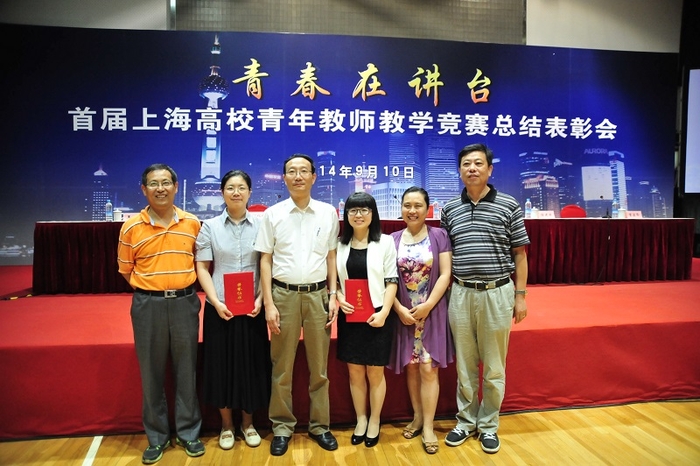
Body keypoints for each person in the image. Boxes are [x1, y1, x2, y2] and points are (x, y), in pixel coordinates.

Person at [440, 143, 529, 454]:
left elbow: (520, 254)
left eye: (479, 163)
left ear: (490, 169)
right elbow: (446, 255)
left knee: (493, 366)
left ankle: (489, 424)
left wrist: (520, 296)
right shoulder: (450, 208)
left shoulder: (508, 205)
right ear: (460, 170)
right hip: (461, 293)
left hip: (497, 292)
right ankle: (466, 421)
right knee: (464, 366)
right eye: (466, 164)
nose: (472, 168)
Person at [117, 164, 205, 464]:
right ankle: (156, 437)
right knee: (151, 372)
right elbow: (126, 270)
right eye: (153, 184)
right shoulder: (131, 227)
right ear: (144, 189)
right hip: (148, 306)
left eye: (166, 182)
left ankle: (189, 433)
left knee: (187, 369)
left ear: (176, 187)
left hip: (185, 303)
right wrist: (152, 289)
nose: (160, 188)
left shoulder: (192, 223)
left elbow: (201, 262)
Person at [254, 153, 341, 456]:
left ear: (314, 177)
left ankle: (320, 426)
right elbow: (265, 260)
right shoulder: (273, 214)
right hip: (284, 296)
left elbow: (331, 257)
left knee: (319, 368)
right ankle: (282, 427)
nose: (298, 176)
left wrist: (333, 295)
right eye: (292, 171)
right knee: (282, 367)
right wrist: (269, 303)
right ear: (284, 177)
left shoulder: (328, 213)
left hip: (318, 296)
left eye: (304, 171)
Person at [195, 170, 271, 451]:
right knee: (221, 366)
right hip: (220, 308)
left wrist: (262, 299)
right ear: (222, 192)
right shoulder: (210, 226)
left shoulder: (262, 225)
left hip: (253, 309)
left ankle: (248, 424)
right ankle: (226, 425)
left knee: (251, 365)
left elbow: (268, 263)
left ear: (250, 192)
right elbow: (203, 267)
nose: (236, 192)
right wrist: (216, 302)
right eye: (230, 187)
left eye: (241, 187)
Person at [388, 186, 454, 455]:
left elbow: (445, 274)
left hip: (431, 310)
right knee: (412, 367)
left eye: (418, 205)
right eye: (407, 205)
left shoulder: (439, 236)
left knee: (428, 369)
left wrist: (428, 305)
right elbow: (385, 280)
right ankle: (416, 417)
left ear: (428, 209)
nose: (412, 210)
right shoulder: (391, 240)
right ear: (401, 208)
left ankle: (428, 426)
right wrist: (398, 309)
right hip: (404, 313)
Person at [335, 192, 398, 448]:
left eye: (364, 210)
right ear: (346, 214)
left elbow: (392, 280)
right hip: (350, 315)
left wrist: (384, 313)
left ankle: (374, 420)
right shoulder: (339, 245)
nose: (358, 215)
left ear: (373, 214)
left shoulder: (385, 242)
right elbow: (334, 282)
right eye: (353, 210)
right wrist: (339, 297)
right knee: (354, 371)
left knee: (375, 371)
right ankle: (361, 419)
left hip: (378, 314)